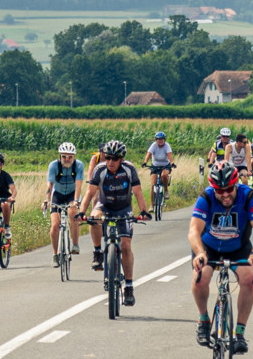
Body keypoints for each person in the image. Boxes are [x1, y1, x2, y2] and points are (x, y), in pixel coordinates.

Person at [189, 162, 253, 353]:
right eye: (220, 190)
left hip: (238, 246)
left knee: (248, 279)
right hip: (209, 247)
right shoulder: (206, 197)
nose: (225, 194)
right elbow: (194, 231)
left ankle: (239, 333)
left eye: (229, 189)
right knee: (201, 278)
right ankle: (204, 320)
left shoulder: (247, 195)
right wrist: (200, 253)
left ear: (236, 185)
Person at [88, 139, 141, 303]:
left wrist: (144, 211)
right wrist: (82, 212)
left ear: (121, 159)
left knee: (125, 246)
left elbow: (138, 192)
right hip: (104, 205)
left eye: (115, 158)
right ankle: (98, 252)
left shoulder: (129, 169)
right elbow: (90, 192)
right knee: (94, 217)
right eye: (108, 157)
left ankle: (129, 286)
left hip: (124, 208)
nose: (110, 161)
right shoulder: (99, 169)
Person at [46, 142, 85, 262]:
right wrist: (46, 200)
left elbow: (78, 184)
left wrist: (76, 201)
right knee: (55, 225)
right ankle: (55, 254)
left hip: (72, 195)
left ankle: (75, 244)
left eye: (70, 157)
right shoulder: (53, 165)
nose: (67, 159)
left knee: (73, 213)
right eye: (64, 156)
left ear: (74, 157)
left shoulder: (79, 165)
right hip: (57, 195)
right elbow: (50, 185)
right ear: (60, 156)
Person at [144, 129, 175, 208]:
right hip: (155, 166)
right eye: (158, 139)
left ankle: (166, 190)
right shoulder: (153, 145)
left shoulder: (167, 146)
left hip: (165, 165)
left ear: (164, 139)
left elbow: (169, 155)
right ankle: (151, 205)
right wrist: (145, 162)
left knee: (164, 175)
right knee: (153, 184)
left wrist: (172, 163)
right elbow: (148, 154)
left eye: (162, 139)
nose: (160, 141)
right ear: (156, 140)